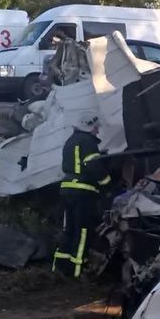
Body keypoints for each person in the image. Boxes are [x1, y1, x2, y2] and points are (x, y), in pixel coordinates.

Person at [53, 114, 111, 278]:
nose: (97, 130)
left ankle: (59, 270)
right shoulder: (88, 142)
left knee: (68, 230)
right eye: (95, 127)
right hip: (83, 192)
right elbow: (93, 166)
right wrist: (107, 185)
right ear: (88, 127)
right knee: (83, 232)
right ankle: (78, 273)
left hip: (66, 190)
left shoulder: (70, 141)